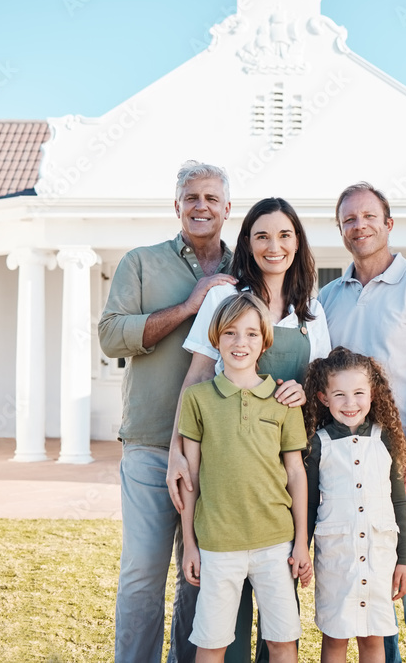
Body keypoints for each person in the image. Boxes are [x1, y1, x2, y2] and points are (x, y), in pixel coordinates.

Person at [167, 197, 331, 662]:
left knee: (279, 596)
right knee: (218, 602)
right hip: (223, 471)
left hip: (289, 465)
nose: (273, 246)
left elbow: (323, 388)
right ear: (247, 243)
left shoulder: (312, 312)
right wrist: (178, 452)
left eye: (284, 235)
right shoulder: (224, 297)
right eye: (261, 235)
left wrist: (303, 392)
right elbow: (198, 375)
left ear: (297, 243)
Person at [99, 160, 237, 663]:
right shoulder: (140, 262)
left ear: (227, 207)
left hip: (219, 451)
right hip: (151, 444)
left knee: (199, 579)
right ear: (176, 205)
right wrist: (188, 307)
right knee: (142, 575)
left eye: (211, 198)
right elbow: (112, 335)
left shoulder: (244, 268)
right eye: (191, 197)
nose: (201, 206)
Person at [318, 182, 406, 663]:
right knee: (371, 583)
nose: (360, 226)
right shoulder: (328, 296)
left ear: (388, 223)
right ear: (341, 231)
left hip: (400, 456)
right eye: (349, 219)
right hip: (342, 460)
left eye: (369, 216)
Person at [178, 292, 313, 663]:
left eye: (252, 334)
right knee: (211, 644)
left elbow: (296, 474)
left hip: (276, 544)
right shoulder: (198, 399)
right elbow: (190, 477)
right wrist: (190, 543)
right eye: (231, 334)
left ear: (265, 341)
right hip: (218, 545)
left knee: (284, 643)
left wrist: (301, 542)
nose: (241, 343)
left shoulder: (283, 399)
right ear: (216, 338)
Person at [302, 347, 406, 663]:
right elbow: (309, 503)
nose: (350, 403)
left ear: (373, 393)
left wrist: (404, 559)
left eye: (358, 393)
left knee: (372, 637)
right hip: (337, 557)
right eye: (340, 395)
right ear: (323, 398)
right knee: (335, 637)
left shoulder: (386, 438)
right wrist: (302, 549)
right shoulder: (318, 442)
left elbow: (398, 501)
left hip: (380, 555)